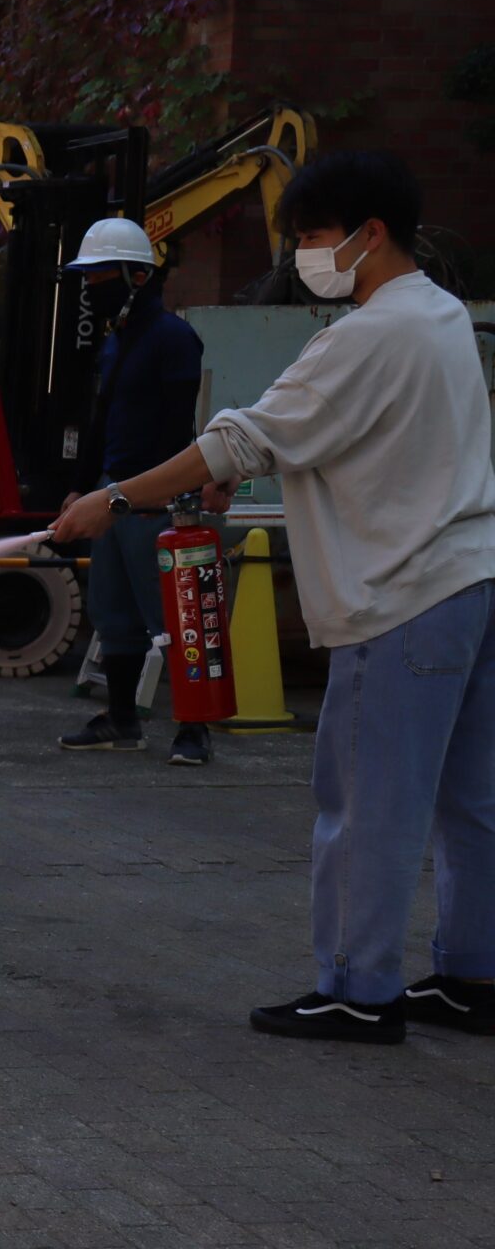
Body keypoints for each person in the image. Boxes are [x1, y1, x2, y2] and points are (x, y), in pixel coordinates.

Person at [55, 150, 495, 1044]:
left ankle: (357, 989)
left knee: (368, 804)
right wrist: (238, 472)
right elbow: (356, 439)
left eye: (313, 235)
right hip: (470, 581)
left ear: (371, 233)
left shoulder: (369, 333)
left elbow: (243, 436)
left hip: (400, 597)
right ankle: (473, 976)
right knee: (472, 798)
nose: (303, 255)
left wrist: (114, 499)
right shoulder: (442, 315)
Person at [52, 216, 215, 766]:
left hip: (154, 500)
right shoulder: (117, 341)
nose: (91, 287)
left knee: (175, 620)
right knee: (113, 614)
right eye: (88, 277)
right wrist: (82, 488)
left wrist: (155, 495)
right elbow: (101, 420)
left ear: (137, 276)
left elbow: (176, 429)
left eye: (100, 276)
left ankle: (194, 729)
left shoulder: (173, 339)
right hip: (111, 494)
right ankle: (122, 720)